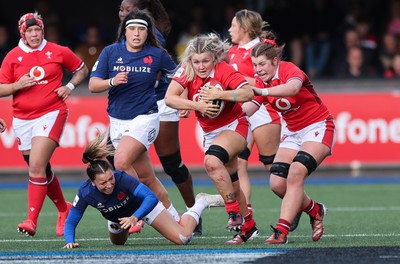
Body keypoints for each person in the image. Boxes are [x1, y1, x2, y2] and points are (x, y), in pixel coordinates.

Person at [88, 10, 183, 236]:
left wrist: (183, 101)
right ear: (125, 31)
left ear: (147, 32)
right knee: (147, 178)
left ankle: (135, 212)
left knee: (120, 162)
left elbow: (180, 76)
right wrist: (112, 81)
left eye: (141, 29)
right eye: (132, 29)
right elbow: (93, 85)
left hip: (146, 117)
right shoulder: (111, 52)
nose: (137, 33)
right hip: (118, 121)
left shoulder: (157, 54)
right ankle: (177, 219)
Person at [117, 0, 205, 235]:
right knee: (129, 165)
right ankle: (139, 213)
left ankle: (193, 211)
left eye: (127, 9)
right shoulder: (122, 34)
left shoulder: (151, 32)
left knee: (171, 164)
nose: (122, 12)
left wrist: (182, 92)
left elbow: (167, 67)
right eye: (121, 9)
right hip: (134, 105)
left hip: (160, 101)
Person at [165, 33, 259, 245]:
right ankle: (249, 227)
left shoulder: (224, 69)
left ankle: (233, 213)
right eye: (196, 61)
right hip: (210, 132)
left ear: (215, 58)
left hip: (235, 126)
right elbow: (170, 98)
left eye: (206, 60)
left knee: (211, 161)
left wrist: (220, 95)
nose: (200, 66)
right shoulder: (187, 70)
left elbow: (247, 94)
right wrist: (195, 106)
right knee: (233, 185)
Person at [0, 12, 89, 237]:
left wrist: (69, 87)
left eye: (37, 29)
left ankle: (31, 220)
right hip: (22, 118)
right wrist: (15, 86)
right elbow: (1, 88)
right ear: (22, 33)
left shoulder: (59, 51)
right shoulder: (12, 56)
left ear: (42, 30)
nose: (34, 34)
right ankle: (64, 208)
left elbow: (82, 69)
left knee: (37, 166)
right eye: (29, 31)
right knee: (41, 169)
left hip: (52, 113)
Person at [242, 36, 335, 244]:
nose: (258, 70)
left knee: (295, 173)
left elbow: (292, 89)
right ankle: (315, 210)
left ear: (274, 61)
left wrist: (261, 90)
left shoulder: (288, 69)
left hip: (318, 126)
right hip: (292, 132)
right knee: (277, 184)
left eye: (262, 64)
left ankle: (281, 231)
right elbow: (250, 108)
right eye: (255, 65)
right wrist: (223, 109)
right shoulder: (260, 82)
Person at [63, 132, 212, 248]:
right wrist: (70, 241)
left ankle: (201, 202)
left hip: (143, 208)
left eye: (110, 179)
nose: (109, 184)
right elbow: (71, 221)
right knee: (118, 244)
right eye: (103, 183)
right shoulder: (85, 192)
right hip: (119, 218)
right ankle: (115, 222)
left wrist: (135, 217)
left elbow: (151, 197)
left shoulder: (122, 178)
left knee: (183, 238)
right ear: (92, 183)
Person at [227, 9, 283, 227]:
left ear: (246, 29)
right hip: (243, 112)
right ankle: (246, 217)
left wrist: (239, 78)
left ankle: (301, 204)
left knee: (273, 168)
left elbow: (268, 80)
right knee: (239, 162)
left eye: (233, 25)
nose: (230, 29)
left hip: (263, 110)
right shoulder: (232, 51)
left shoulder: (261, 49)